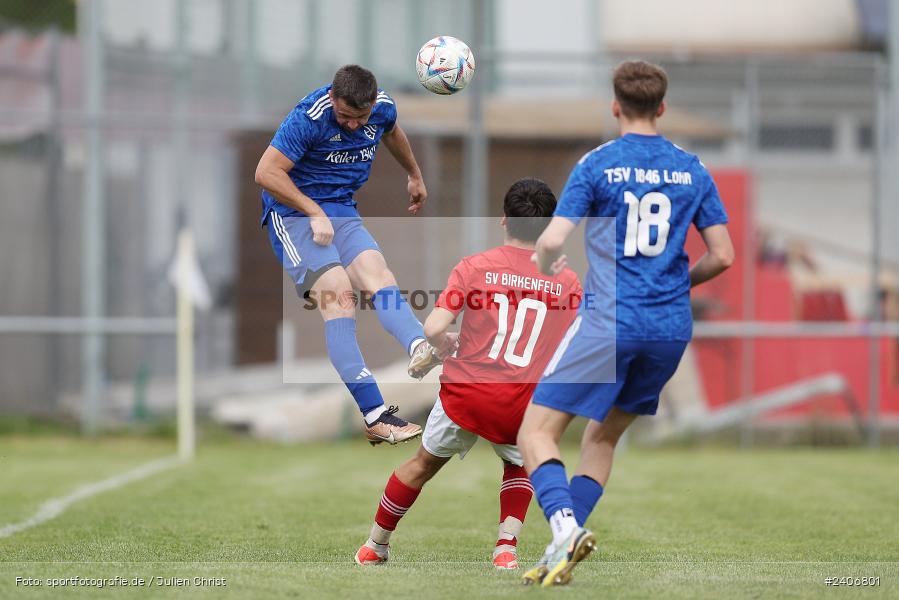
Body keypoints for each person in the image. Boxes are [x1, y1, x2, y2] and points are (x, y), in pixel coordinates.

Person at [517, 60, 735, 587]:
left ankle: (563, 529)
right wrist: (676, 286)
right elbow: (723, 256)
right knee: (603, 439)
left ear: (615, 106)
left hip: (610, 320)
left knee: (536, 431)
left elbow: (550, 241)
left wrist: (546, 268)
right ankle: (559, 547)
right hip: (668, 329)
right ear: (660, 108)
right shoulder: (693, 168)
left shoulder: (598, 164)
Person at [353, 178, 582, 569]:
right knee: (519, 462)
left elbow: (433, 328)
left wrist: (446, 344)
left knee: (422, 464)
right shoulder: (567, 281)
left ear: (503, 220)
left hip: (467, 394)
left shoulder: (476, 267)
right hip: (520, 399)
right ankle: (505, 549)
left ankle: (376, 545)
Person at [255, 65, 444, 445]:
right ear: (333, 100)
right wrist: (313, 210)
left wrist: (414, 175)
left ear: (372, 104)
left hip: (341, 208)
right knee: (339, 295)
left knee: (379, 275)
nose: (354, 126)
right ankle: (375, 415)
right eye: (345, 117)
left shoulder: (383, 108)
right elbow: (266, 172)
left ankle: (420, 347)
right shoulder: (310, 117)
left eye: (360, 118)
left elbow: (392, 132)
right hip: (291, 214)